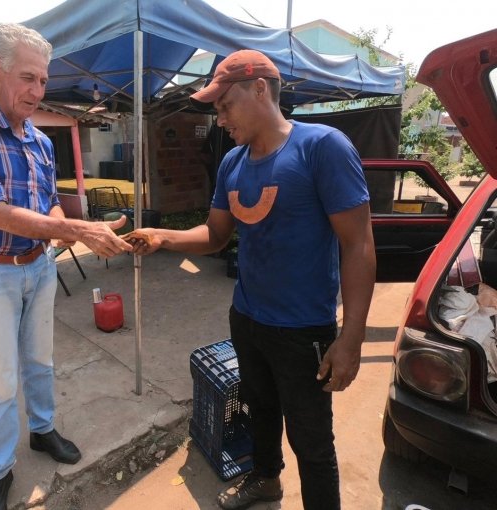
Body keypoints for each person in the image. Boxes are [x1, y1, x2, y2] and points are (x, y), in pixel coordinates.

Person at [127, 49, 376, 510]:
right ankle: (266, 479)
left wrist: (353, 336)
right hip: (247, 316)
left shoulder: (322, 147)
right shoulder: (233, 163)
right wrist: (163, 236)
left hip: (303, 330)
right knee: (260, 410)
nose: (220, 119)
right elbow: (216, 236)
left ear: (260, 89)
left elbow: (358, 245)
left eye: (225, 106)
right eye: (217, 110)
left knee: (311, 439)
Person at [0, 23, 132, 510]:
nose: (37, 90)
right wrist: (83, 233)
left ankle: (42, 430)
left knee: (40, 361)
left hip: (38, 267)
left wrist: (72, 224)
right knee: (0, 381)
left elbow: (50, 208)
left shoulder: (40, 142)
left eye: (43, 81)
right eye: (28, 78)